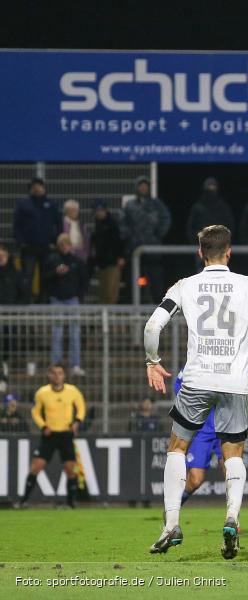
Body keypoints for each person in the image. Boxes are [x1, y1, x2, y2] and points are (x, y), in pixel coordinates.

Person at [143, 224, 248, 559]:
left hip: (196, 381)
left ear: (200, 253)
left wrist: (153, 361)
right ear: (229, 252)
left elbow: (151, 326)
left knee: (177, 448)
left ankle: (171, 524)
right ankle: (232, 518)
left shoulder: (184, 286)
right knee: (233, 455)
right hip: (234, 383)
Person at [172, 371, 248, 509]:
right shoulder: (200, 356)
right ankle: (172, 510)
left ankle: (232, 520)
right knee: (195, 480)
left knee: (232, 477)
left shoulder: (235, 358)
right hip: (203, 431)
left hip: (227, 428)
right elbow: (178, 384)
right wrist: (194, 406)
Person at [16, 365, 85, 508]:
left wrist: (77, 422)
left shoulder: (72, 391)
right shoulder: (42, 393)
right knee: (36, 467)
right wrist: (43, 426)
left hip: (66, 434)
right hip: (50, 434)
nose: (57, 376)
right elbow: (35, 412)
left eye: (59, 373)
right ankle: (23, 501)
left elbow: (81, 407)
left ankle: (71, 503)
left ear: (64, 375)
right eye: (53, 373)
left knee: (70, 469)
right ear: (49, 375)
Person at [121, 176, 171, 303]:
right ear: (136, 188)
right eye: (140, 185)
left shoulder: (157, 204)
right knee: (133, 284)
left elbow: (166, 219)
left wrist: (157, 235)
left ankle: (159, 316)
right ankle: (134, 314)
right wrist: (130, 237)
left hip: (153, 251)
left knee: (156, 284)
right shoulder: (130, 205)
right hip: (134, 250)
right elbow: (123, 223)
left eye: (145, 185)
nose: (143, 188)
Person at [45, 234, 88, 376]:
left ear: (70, 245)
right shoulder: (52, 260)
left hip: (72, 300)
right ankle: (56, 365)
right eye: (61, 244)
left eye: (66, 243)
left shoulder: (77, 261)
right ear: (59, 245)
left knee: (75, 333)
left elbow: (84, 281)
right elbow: (46, 279)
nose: (64, 246)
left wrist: (79, 296)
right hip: (56, 299)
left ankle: (75, 365)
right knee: (57, 333)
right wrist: (55, 273)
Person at [13, 177, 61, 301]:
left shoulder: (52, 204)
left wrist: (55, 242)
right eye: (34, 186)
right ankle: (26, 303)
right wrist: (21, 243)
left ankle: (43, 302)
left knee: (45, 276)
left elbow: (59, 224)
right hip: (29, 248)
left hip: (47, 248)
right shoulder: (23, 204)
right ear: (30, 189)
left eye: (39, 185)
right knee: (27, 276)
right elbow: (16, 225)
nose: (37, 188)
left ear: (44, 188)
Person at [90, 200, 126, 305]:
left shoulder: (113, 224)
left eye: (101, 210)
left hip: (112, 262)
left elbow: (119, 241)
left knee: (111, 291)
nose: (99, 212)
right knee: (103, 291)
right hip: (102, 263)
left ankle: (110, 315)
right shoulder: (97, 224)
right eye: (97, 210)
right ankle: (104, 316)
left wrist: (120, 257)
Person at [186, 178, 235, 248]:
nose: (211, 190)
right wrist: (196, 242)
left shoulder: (223, 207)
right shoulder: (197, 207)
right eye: (209, 187)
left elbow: (230, 226)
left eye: (213, 187)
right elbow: (190, 228)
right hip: (201, 246)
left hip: (219, 247)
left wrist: (223, 241)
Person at [0, 244, 26, 375]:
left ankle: (7, 367)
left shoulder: (16, 273)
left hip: (11, 315)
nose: (1, 257)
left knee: (10, 342)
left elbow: (24, 294)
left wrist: (16, 307)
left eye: (3, 254)